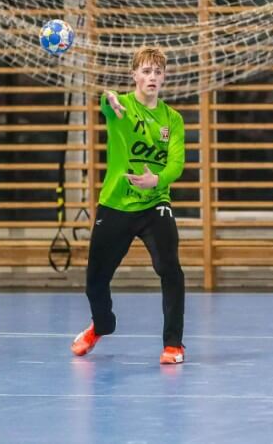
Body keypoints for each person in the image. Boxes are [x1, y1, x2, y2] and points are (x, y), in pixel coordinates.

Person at [70, 47, 187, 365]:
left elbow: (176, 164)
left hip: (154, 203)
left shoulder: (172, 120)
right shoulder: (120, 106)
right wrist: (108, 98)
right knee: (95, 280)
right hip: (116, 203)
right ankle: (102, 325)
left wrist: (156, 180)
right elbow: (107, 101)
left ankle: (173, 345)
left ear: (164, 78)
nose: (152, 77)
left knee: (170, 269)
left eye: (158, 72)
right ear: (134, 75)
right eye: (146, 71)